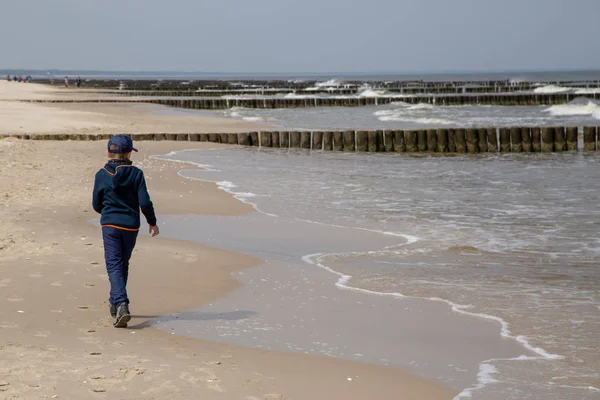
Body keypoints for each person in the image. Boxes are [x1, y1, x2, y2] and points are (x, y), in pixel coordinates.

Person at [92, 134, 160, 327]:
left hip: (110, 225)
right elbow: (145, 202)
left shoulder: (101, 174)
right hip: (130, 226)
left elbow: (96, 203)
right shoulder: (137, 174)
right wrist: (152, 222)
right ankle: (115, 303)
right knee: (122, 263)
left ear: (107, 151)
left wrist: (106, 211)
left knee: (114, 264)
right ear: (129, 153)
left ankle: (121, 302)